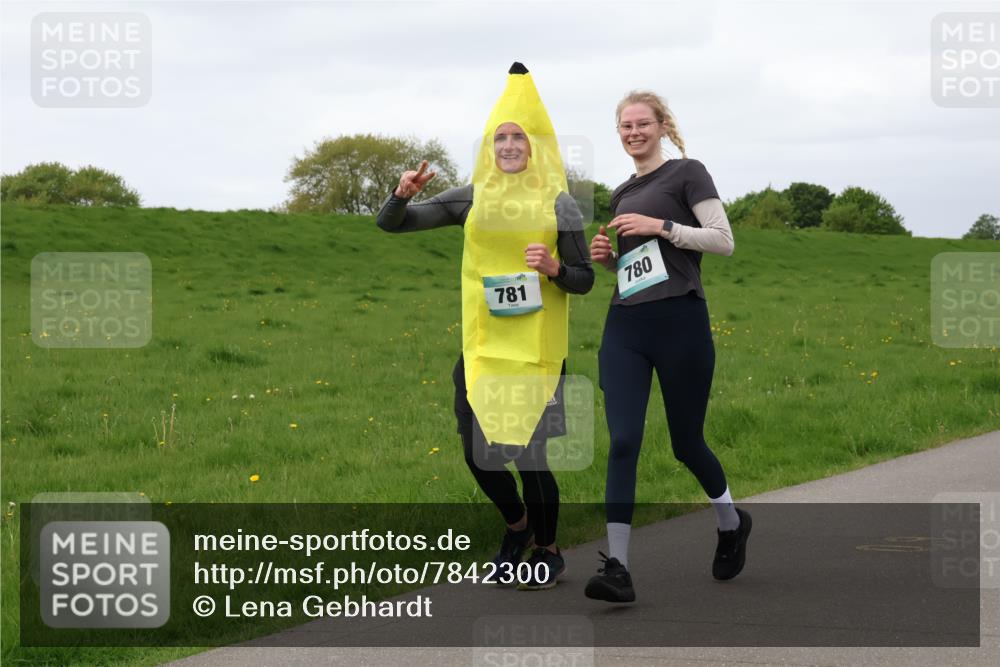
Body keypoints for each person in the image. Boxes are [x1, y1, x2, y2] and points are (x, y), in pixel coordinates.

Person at [377, 62, 594, 591]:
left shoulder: (560, 203)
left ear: (536, 145)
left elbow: (584, 279)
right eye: (501, 137)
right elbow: (393, 224)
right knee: (477, 449)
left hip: (536, 350)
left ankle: (548, 548)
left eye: (519, 135)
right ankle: (516, 527)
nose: (510, 144)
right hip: (483, 347)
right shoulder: (469, 197)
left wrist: (553, 269)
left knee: (531, 454)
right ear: (489, 146)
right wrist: (401, 193)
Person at [584, 90, 751, 603]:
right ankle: (618, 567)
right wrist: (608, 261)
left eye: (642, 124)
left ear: (660, 126)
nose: (633, 132)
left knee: (686, 444)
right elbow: (637, 273)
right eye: (624, 126)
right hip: (626, 325)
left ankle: (730, 522)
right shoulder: (619, 193)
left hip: (681, 321)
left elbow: (722, 240)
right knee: (624, 440)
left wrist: (662, 226)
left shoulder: (687, 173)